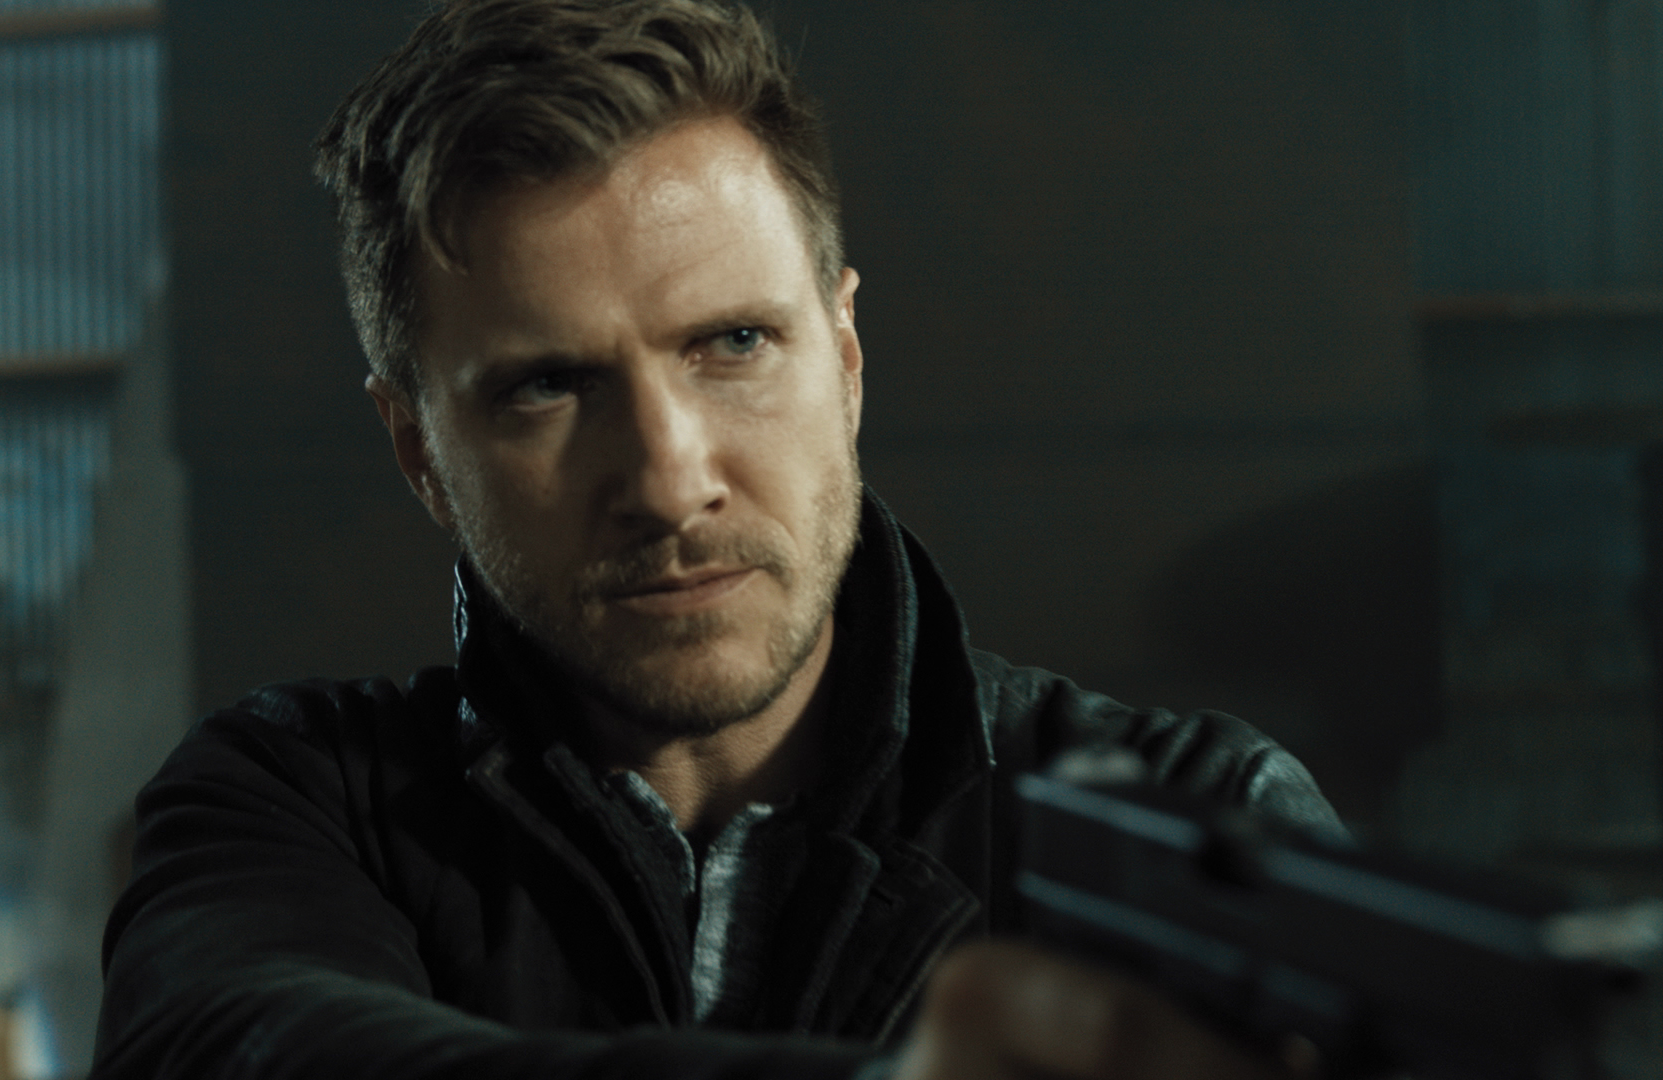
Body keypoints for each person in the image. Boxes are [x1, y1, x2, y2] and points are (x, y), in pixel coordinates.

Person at [91, 1, 1342, 1076]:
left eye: (734, 344)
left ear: (844, 357)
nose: (669, 480)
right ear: (419, 451)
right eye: (548, 388)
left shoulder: (1193, 817)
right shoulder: (290, 800)